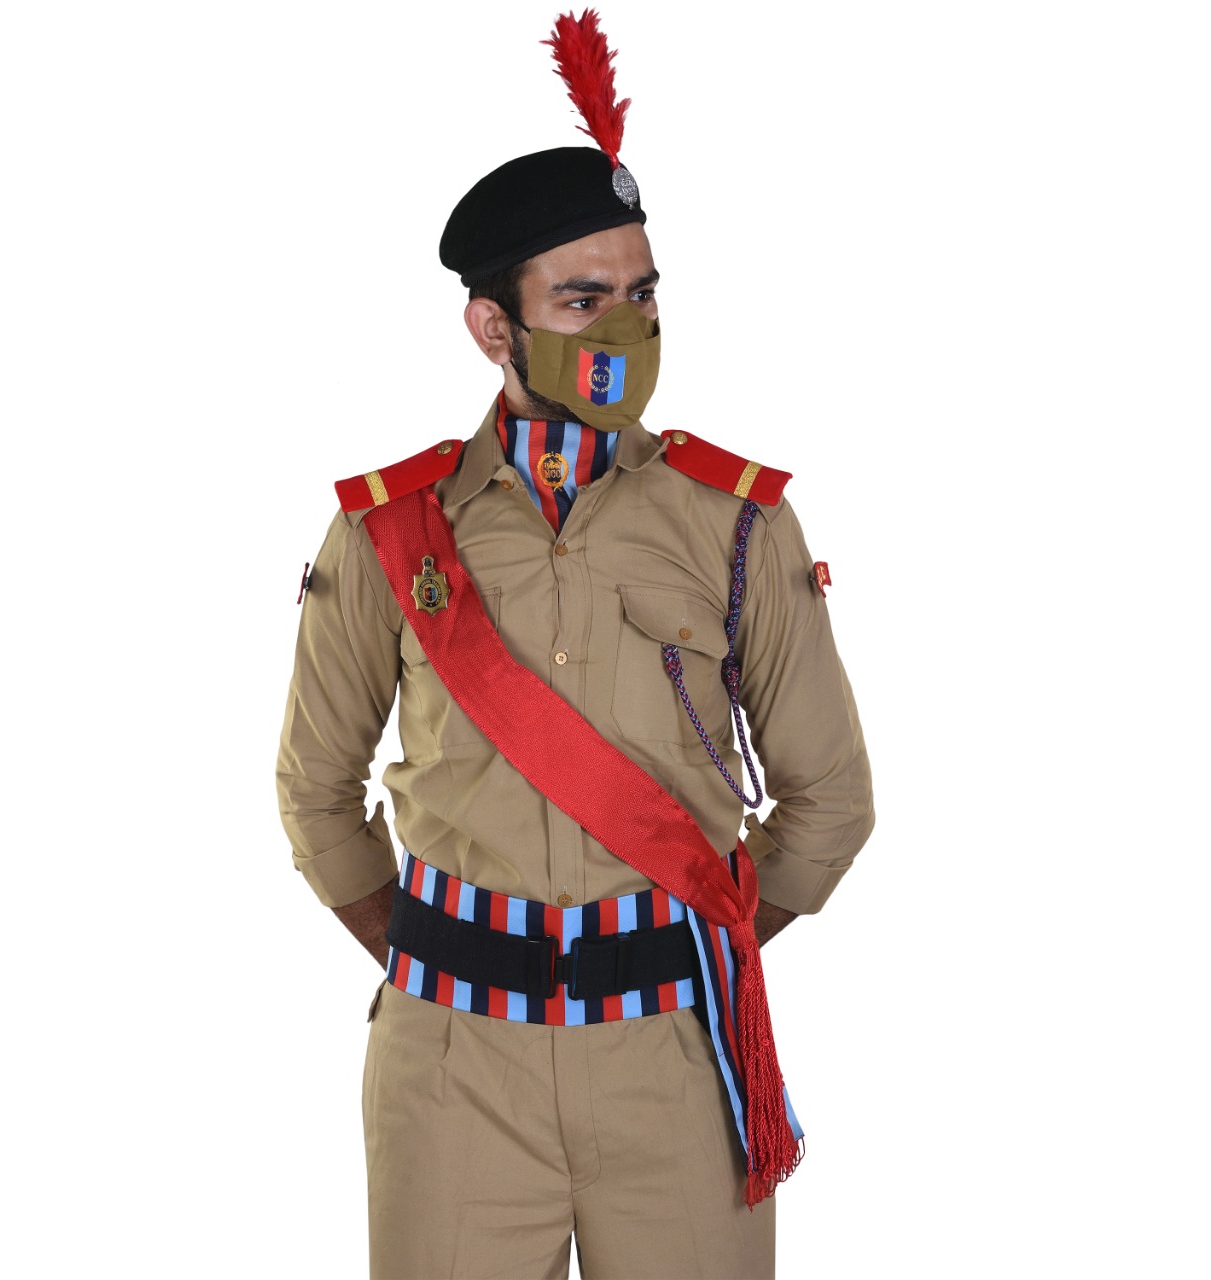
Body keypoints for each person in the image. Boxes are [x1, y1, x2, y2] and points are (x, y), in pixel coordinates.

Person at [276, 11, 874, 1278]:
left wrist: (689, 944)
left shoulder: (737, 523)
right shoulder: (390, 530)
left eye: (641, 293)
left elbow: (829, 799)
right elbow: (314, 791)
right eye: (581, 299)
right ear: (493, 326)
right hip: (452, 1068)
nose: (622, 328)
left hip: (675, 1059)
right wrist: (439, 958)